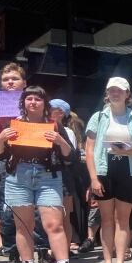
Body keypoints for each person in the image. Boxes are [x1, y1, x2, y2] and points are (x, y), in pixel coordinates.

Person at [0, 86, 78, 263]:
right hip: (18, 177)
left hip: (47, 177)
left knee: (54, 224)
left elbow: (71, 157)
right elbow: (1, 155)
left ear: (44, 104)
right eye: (29, 99)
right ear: (23, 103)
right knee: (24, 226)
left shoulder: (54, 126)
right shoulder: (13, 124)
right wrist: (0, 139)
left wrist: (60, 141)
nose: (33, 102)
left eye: (37, 99)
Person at [85, 77, 132, 263]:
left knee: (122, 220)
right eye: (111, 90)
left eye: (119, 90)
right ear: (107, 93)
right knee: (106, 219)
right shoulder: (98, 117)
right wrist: (93, 178)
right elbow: (89, 151)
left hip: (128, 171)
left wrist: (129, 151)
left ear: (127, 94)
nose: (115, 93)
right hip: (104, 171)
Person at [0, 62, 27, 263]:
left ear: (24, 83)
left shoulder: (34, 101)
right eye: (6, 79)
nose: (10, 82)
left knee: (35, 210)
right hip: (3, 161)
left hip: (31, 160)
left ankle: (42, 255)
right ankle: (13, 257)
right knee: (8, 210)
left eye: (14, 79)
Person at [49, 99, 78, 252]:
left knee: (63, 217)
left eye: (50, 107)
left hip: (63, 177)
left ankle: (64, 251)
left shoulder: (68, 131)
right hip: (47, 176)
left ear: (60, 112)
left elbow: (71, 158)